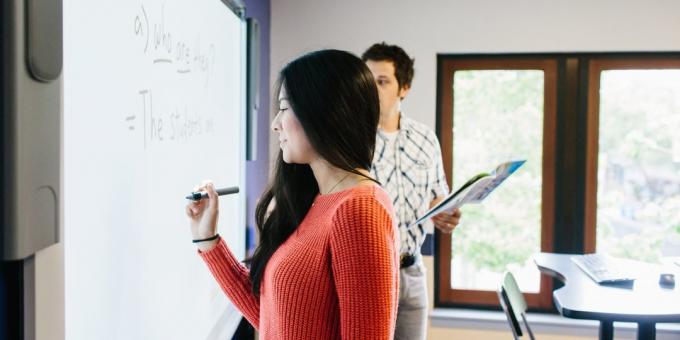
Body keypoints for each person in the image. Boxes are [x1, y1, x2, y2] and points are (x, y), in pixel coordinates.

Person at [186, 49, 399, 339]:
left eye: (285, 108)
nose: (275, 124)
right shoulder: (319, 200)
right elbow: (270, 318)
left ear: (325, 112)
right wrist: (207, 240)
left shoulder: (360, 209)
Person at [362, 42, 462, 340]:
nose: (372, 89)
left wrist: (447, 213)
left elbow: (439, 194)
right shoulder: (351, 140)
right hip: (368, 276)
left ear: (403, 87)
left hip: (413, 273)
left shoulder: (426, 139)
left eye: (381, 82)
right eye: (367, 82)